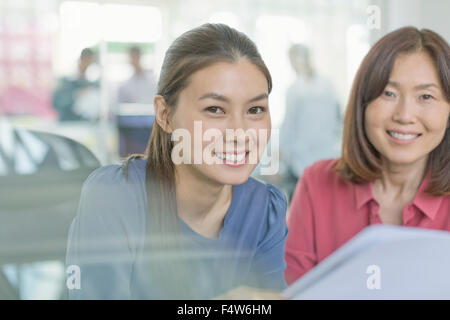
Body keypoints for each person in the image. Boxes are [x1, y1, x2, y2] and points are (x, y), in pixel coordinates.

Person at [66, 23, 288, 299]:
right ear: (165, 115)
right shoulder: (114, 196)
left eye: (255, 109)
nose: (240, 133)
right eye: (215, 109)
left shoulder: (265, 209)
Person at [285, 27, 450, 285]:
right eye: (388, 93)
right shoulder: (317, 184)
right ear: (363, 102)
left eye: (426, 96)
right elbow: (293, 289)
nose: (405, 115)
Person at [279, 44, 342, 200]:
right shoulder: (328, 84)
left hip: (302, 160)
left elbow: (289, 125)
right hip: (328, 157)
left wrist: (281, 152)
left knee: (301, 208)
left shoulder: (295, 89)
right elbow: (338, 120)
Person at [52, 48, 100, 121]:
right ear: (81, 60)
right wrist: (76, 95)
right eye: (86, 61)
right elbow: (56, 103)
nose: (87, 65)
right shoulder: (65, 80)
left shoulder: (91, 83)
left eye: (90, 62)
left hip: (85, 125)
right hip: (67, 124)